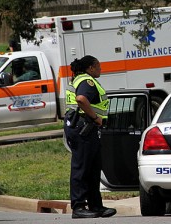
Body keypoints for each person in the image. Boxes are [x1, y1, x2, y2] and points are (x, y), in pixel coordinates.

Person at [64, 55, 116, 219]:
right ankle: (79, 207)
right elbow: (81, 99)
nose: (101, 69)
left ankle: (96, 206)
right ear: (90, 68)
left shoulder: (81, 79)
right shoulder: (88, 82)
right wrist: (95, 117)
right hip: (83, 127)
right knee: (81, 168)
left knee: (93, 168)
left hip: (85, 128)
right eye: (98, 66)